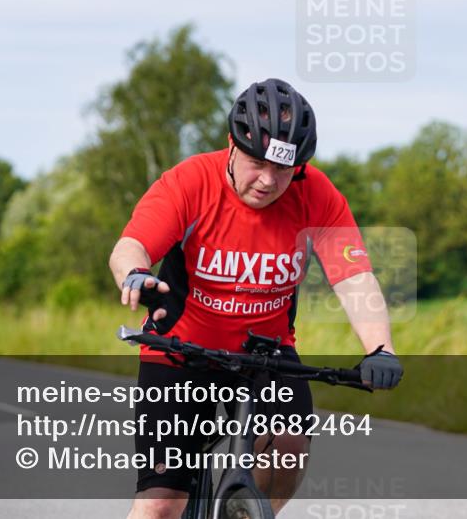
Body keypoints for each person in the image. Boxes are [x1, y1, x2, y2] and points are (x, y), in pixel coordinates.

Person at [109, 78, 402, 519]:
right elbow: (131, 245)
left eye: (283, 170)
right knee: (160, 502)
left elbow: (354, 278)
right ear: (232, 143)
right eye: (255, 163)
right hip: (180, 352)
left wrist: (380, 349)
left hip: (266, 355)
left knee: (286, 451)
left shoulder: (317, 195)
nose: (267, 181)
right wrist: (134, 273)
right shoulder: (189, 183)